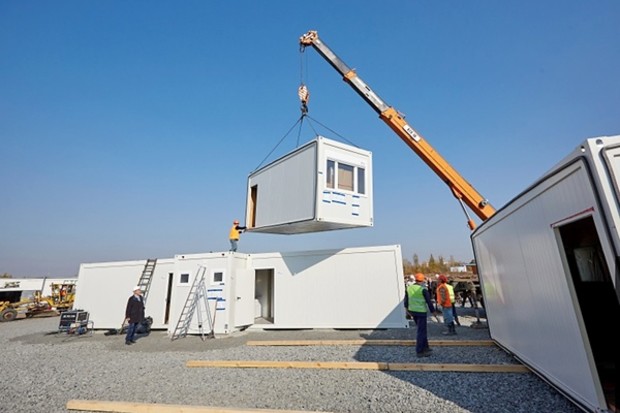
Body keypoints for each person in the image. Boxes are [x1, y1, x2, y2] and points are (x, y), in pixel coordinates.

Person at [404, 273, 438, 357]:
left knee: (422, 330)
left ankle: (425, 347)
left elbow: (406, 301)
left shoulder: (409, 288)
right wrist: (433, 311)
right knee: (421, 331)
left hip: (413, 311)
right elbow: (429, 302)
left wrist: (407, 311)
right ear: (422, 280)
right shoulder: (423, 290)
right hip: (421, 312)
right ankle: (419, 351)